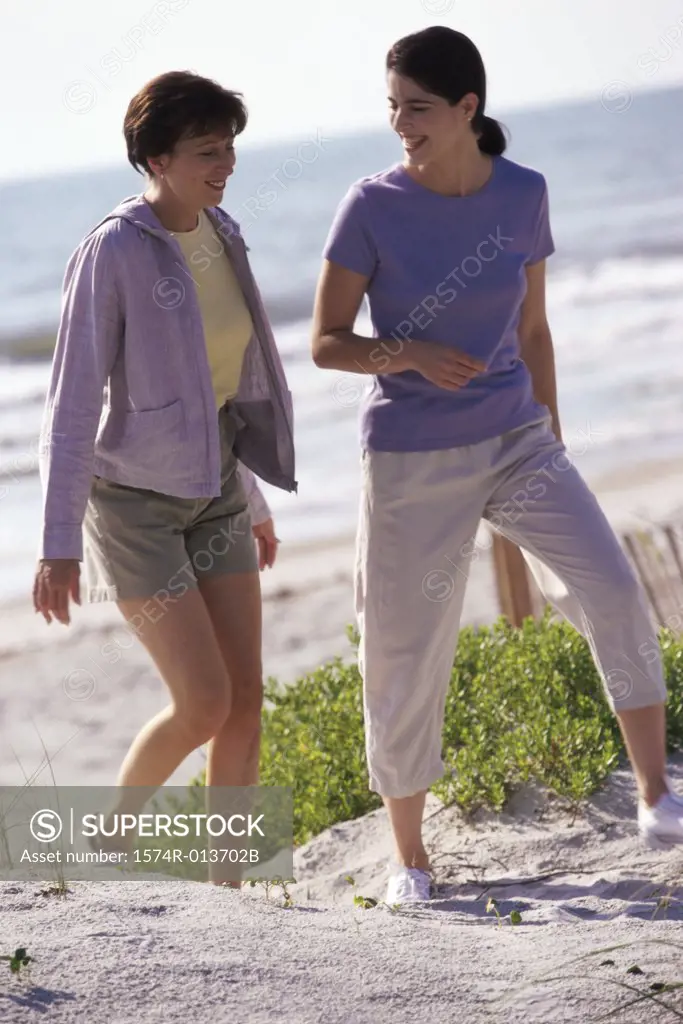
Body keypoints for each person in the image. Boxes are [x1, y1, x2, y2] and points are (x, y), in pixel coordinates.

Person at [311, 26, 683, 905]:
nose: (401, 122)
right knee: (404, 649)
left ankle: (656, 799)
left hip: (518, 439)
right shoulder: (369, 207)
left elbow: (534, 331)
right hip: (410, 456)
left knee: (612, 586)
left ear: (466, 109)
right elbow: (327, 343)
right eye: (393, 106)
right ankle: (408, 859)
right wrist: (406, 353)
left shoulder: (523, 195)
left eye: (418, 108)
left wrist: (550, 435)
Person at [33, 70, 296, 883]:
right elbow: (71, 402)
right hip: (134, 511)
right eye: (207, 150)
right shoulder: (112, 250)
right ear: (155, 157)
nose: (224, 164)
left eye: (229, 149)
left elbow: (220, 387)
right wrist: (56, 543)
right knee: (204, 703)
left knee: (245, 701)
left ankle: (230, 889)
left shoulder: (222, 232)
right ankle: (108, 838)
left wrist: (249, 495)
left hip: (215, 488)